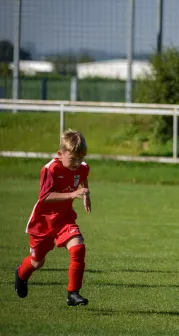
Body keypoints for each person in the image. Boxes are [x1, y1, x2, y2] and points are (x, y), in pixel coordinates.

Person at [15, 129, 92, 305]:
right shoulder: (51, 169)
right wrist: (72, 194)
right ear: (60, 154)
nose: (77, 163)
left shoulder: (82, 167)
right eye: (73, 159)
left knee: (78, 248)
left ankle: (73, 293)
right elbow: (45, 196)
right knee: (37, 262)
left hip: (64, 218)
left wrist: (86, 195)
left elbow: (83, 176)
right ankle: (21, 274)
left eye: (80, 158)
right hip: (42, 222)